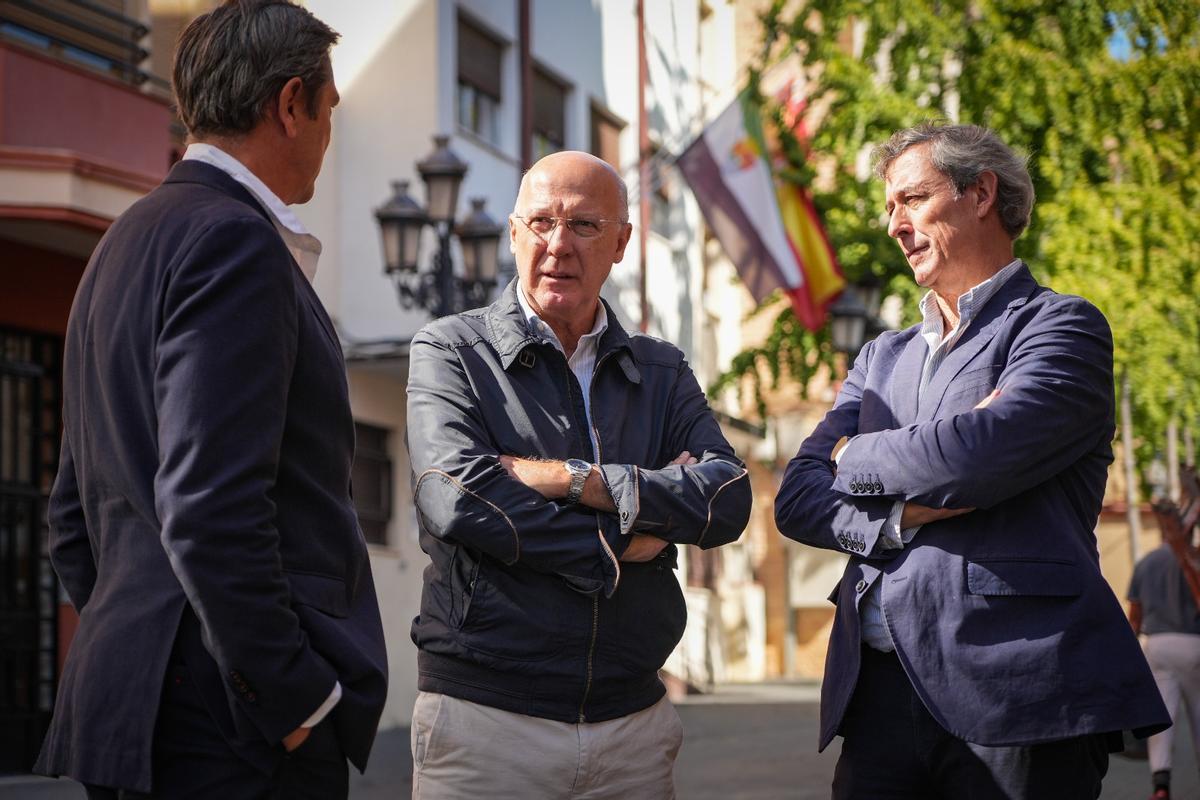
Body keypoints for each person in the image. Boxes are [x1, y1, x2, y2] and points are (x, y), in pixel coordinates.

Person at [33, 2, 387, 797]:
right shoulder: (235, 240)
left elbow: (71, 520)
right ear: (291, 104)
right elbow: (209, 509)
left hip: (138, 713)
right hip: (233, 736)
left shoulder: (120, 244)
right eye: (329, 109)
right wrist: (292, 699)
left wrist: (152, 641)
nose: (328, 136)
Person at [774, 122, 1170, 799]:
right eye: (889, 204)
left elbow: (977, 456)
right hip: (876, 701)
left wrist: (853, 454)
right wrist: (895, 517)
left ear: (980, 192)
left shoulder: (1061, 327)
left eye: (913, 198)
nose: (893, 223)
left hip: (1017, 690)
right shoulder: (880, 357)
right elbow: (797, 499)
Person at [405, 150, 752, 798]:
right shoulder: (451, 349)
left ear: (621, 242)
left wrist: (572, 481)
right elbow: (453, 495)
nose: (558, 244)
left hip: (634, 727)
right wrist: (626, 538)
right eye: (540, 222)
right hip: (486, 723)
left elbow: (727, 495)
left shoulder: (661, 368)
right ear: (513, 234)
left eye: (585, 226)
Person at [1129, 538, 1200, 799]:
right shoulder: (1193, 561)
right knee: (1198, 714)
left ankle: (1161, 784)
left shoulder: (1146, 563)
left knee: (1162, 718)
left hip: (1157, 645)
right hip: (1194, 642)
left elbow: (1134, 616)